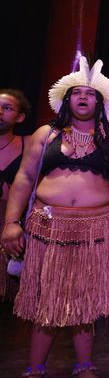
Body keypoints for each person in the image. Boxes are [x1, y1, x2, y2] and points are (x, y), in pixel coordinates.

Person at [2, 57, 109, 378]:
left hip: (96, 230)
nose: (82, 98)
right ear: (66, 98)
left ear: (100, 101)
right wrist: (11, 223)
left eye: (89, 94)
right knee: (44, 301)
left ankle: (85, 368)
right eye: (76, 93)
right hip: (49, 226)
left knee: (85, 302)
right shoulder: (46, 135)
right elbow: (24, 179)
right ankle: (34, 373)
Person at [0, 89, 31, 300]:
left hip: (10, 220)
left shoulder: (28, 143)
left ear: (20, 117)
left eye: (7, 108)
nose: (0, 111)